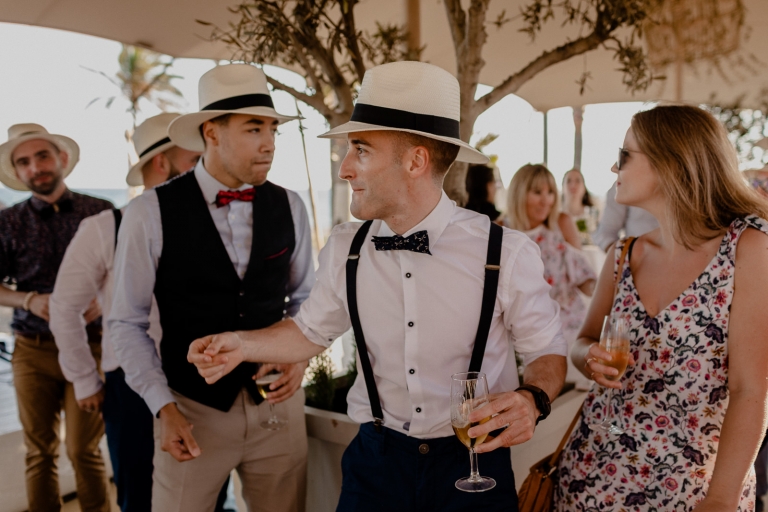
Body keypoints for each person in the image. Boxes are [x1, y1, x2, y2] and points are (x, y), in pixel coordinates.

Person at [188, 61, 567, 512]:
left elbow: (548, 352)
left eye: (361, 150)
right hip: (374, 467)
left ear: (415, 160)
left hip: (473, 466)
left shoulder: (506, 252)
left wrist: (534, 397)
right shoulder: (346, 248)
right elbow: (309, 333)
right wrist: (240, 343)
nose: (345, 168)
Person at [108, 63, 315, 512]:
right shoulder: (149, 213)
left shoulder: (291, 205)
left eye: (274, 130)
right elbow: (125, 322)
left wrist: (299, 356)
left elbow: (306, 301)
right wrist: (164, 409)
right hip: (191, 411)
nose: (269, 144)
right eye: (254, 128)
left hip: (278, 409)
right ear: (212, 132)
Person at [557, 105, 768, 511]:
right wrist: (590, 358)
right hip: (592, 474)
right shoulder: (624, 254)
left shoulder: (748, 247)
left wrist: (721, 500)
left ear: (670, 163)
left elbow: (751, 391)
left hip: (695, 489)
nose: (612, 166)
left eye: (624, 156)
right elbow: (582, 342)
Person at [49, 113, 201, 511]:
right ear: (162, 164)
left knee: (202, 491)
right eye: (194, 162)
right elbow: (64, 307)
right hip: (131, 385)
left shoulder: (208, 226)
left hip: (198, 378)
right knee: (139, 494)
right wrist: (85, 381)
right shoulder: (105, 227)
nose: (205, 173)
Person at [0, 123, 113, 511]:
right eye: (24, 162)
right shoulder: (7, 222)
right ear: (18, 172)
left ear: (62, 159)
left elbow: (126, 275)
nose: (36, 167)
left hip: (92, 345)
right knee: (39, 451)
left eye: (42, 156)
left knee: (84, 448)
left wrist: (103, 297)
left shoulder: (100, 211)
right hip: (32, 351)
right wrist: (29, 300)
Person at [507, 164, 596, 387]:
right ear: (519, 193)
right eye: (537, 192)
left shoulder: (561, 224)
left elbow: (584, 276)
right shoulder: (501, 230)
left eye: (550, 193)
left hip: (566, 319)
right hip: (520, 324)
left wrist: (609, 291)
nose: (546, 201)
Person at [592, 180, 658, 251]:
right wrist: (625, 256)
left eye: (622, 167)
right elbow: (605, 233)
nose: (613, 169)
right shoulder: (619, 187)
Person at [562, 168, 601, 245]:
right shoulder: (556, 214)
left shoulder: (594, 214)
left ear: (584, 187)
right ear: (563, 187)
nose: (573, 185)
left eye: (577, 181)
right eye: (569, 181)